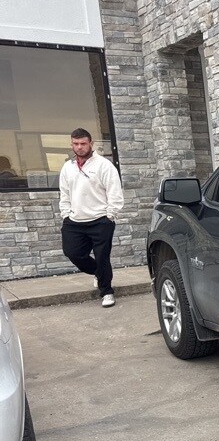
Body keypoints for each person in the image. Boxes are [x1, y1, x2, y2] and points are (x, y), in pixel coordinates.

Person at [58, 128, 124, 308]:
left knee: (102, 257)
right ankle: (99, 273)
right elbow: (64, 194)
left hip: (100, 220)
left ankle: (107, 291)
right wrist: (66, 214)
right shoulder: (67, 167)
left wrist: (110, 215)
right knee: (73, 253)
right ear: (72, 144)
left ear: (91, 144)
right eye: (76, 144)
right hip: (74, 221)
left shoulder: (103, 165)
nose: (79, 147)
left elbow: (115, 193)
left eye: (83, 143)